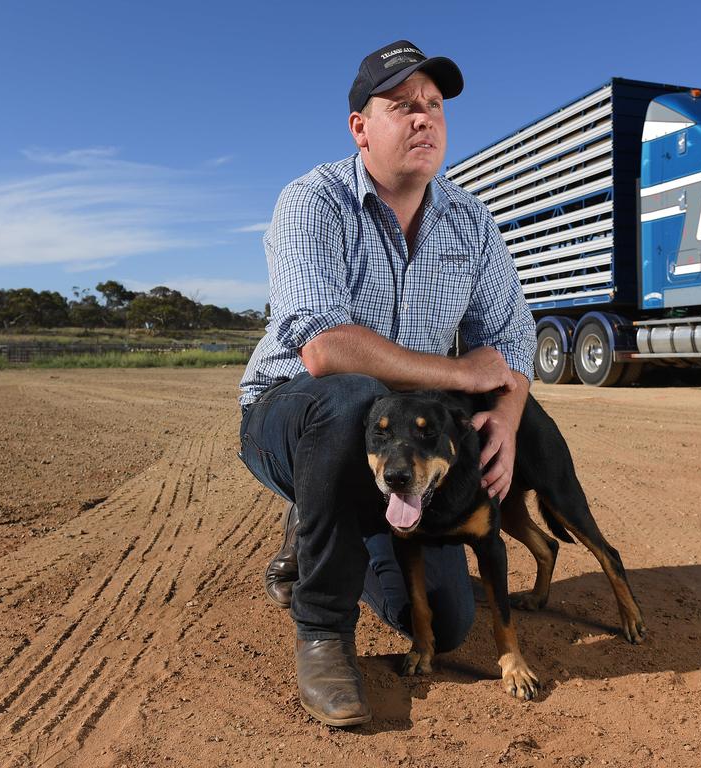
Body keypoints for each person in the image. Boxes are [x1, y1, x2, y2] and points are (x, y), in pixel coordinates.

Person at [238, 39, 535, 727]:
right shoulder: (313, 202)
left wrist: (510, 416)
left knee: (447, 623)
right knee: (350, 399)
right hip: (290, 415)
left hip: (392, 440)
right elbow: (324, 348)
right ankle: (321, 631)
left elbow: (513, 337)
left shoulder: (471, 220)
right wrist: (463, 372)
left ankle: (332, 522)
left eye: (433, 106)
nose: (424, 118)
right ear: (360, 128)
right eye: (402, 106)